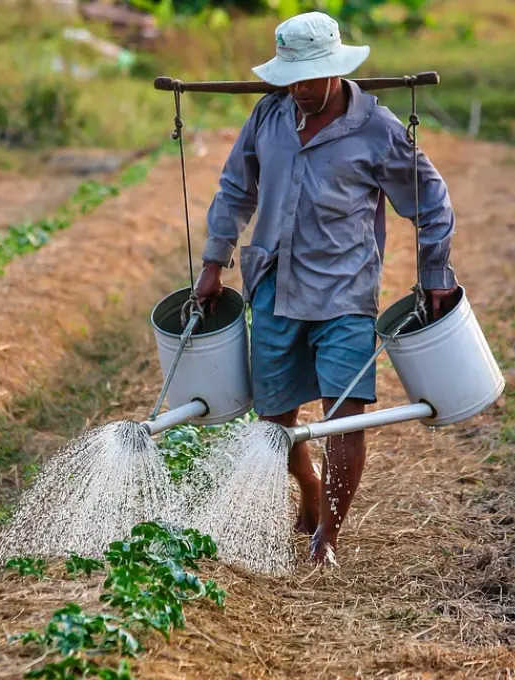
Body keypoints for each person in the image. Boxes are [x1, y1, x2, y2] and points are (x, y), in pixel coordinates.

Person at [192, 11, 460, 566]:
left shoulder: (377, 130)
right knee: (275, 420)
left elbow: (431, 202)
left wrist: (435, 273)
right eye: (292, 77)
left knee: (345, 414)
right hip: (273, 286)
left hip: (344, 293)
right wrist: (213, 263)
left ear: (337, 71)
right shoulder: (268, 116)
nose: (300, 89)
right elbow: (234, 190)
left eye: (310, 78)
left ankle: (327, 539)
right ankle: (309, 489)